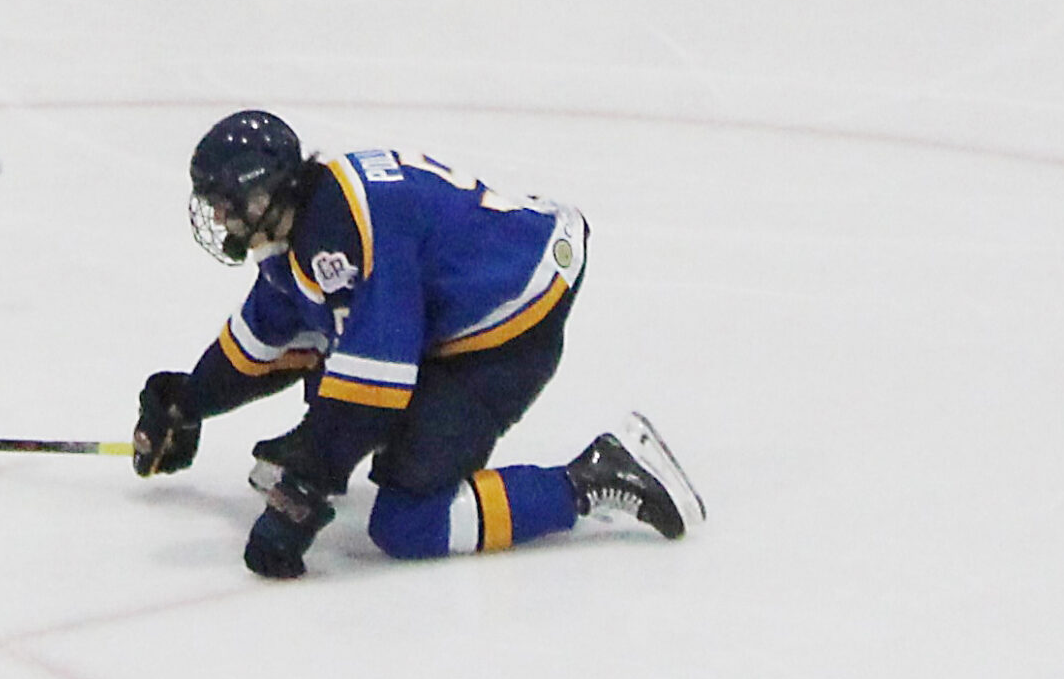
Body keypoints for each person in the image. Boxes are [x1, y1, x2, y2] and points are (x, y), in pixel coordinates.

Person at [131, 111, 704, 580]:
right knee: (342, 365)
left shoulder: (346, 230)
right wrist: (186, 402)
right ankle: (326, 443)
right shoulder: (306, 225)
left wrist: (306, 486)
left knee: (408, 524)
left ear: (267, 189)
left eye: (229, 200)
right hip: (461, 300)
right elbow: (266, 337)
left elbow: (377, 381)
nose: (220, 215)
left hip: (510, 321)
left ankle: (594, 476)